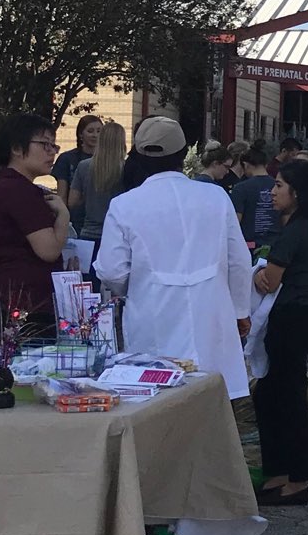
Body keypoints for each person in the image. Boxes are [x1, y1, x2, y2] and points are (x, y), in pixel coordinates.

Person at [96, 117, 256, 398]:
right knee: (212, 403)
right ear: (184, 154)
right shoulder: (216, 197)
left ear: (139, 157)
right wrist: (240, 311)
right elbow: (239, 261)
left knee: (157, 406)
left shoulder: (124, 205)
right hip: (212, 318)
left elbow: (112, 271)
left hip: (152, 319)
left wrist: (139, 287)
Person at [250, 161, 308, 507]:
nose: (272, 192)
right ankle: (278, 473)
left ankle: (298, 480)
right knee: (270, 395)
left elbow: (270, 280)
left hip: (293, 317)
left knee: (289, 400)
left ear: (297, 192)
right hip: (305, 315)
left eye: (279, 186)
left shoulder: (298, 229)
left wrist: (256, 274)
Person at [0, 112, 70, 336]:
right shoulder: (18, 190)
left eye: (54, 146)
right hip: (25, 308)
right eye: (44, 144)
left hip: (15, 302)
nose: (52, 151)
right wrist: (63, 215)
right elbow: (48, 250)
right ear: (17, 149)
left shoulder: (10, 186)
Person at [66, 119, 127, 249]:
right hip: (118, 235)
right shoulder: (126, 169)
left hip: (89, 233)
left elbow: (72, 202)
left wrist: (89, 197)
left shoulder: (84, 166)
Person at [230, 140, 279, 247]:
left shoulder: (241, 188)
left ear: (245, 165)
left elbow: (235, 223)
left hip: (249, 246)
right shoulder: (278, 186)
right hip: (275, 244)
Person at [52, 115, 100, 212]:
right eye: (90, 131)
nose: (95, 135)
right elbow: (62, 195)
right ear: (81, 134)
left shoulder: (108, 160)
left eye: (99, 131)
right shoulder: (66, 158)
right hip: (74, 215)